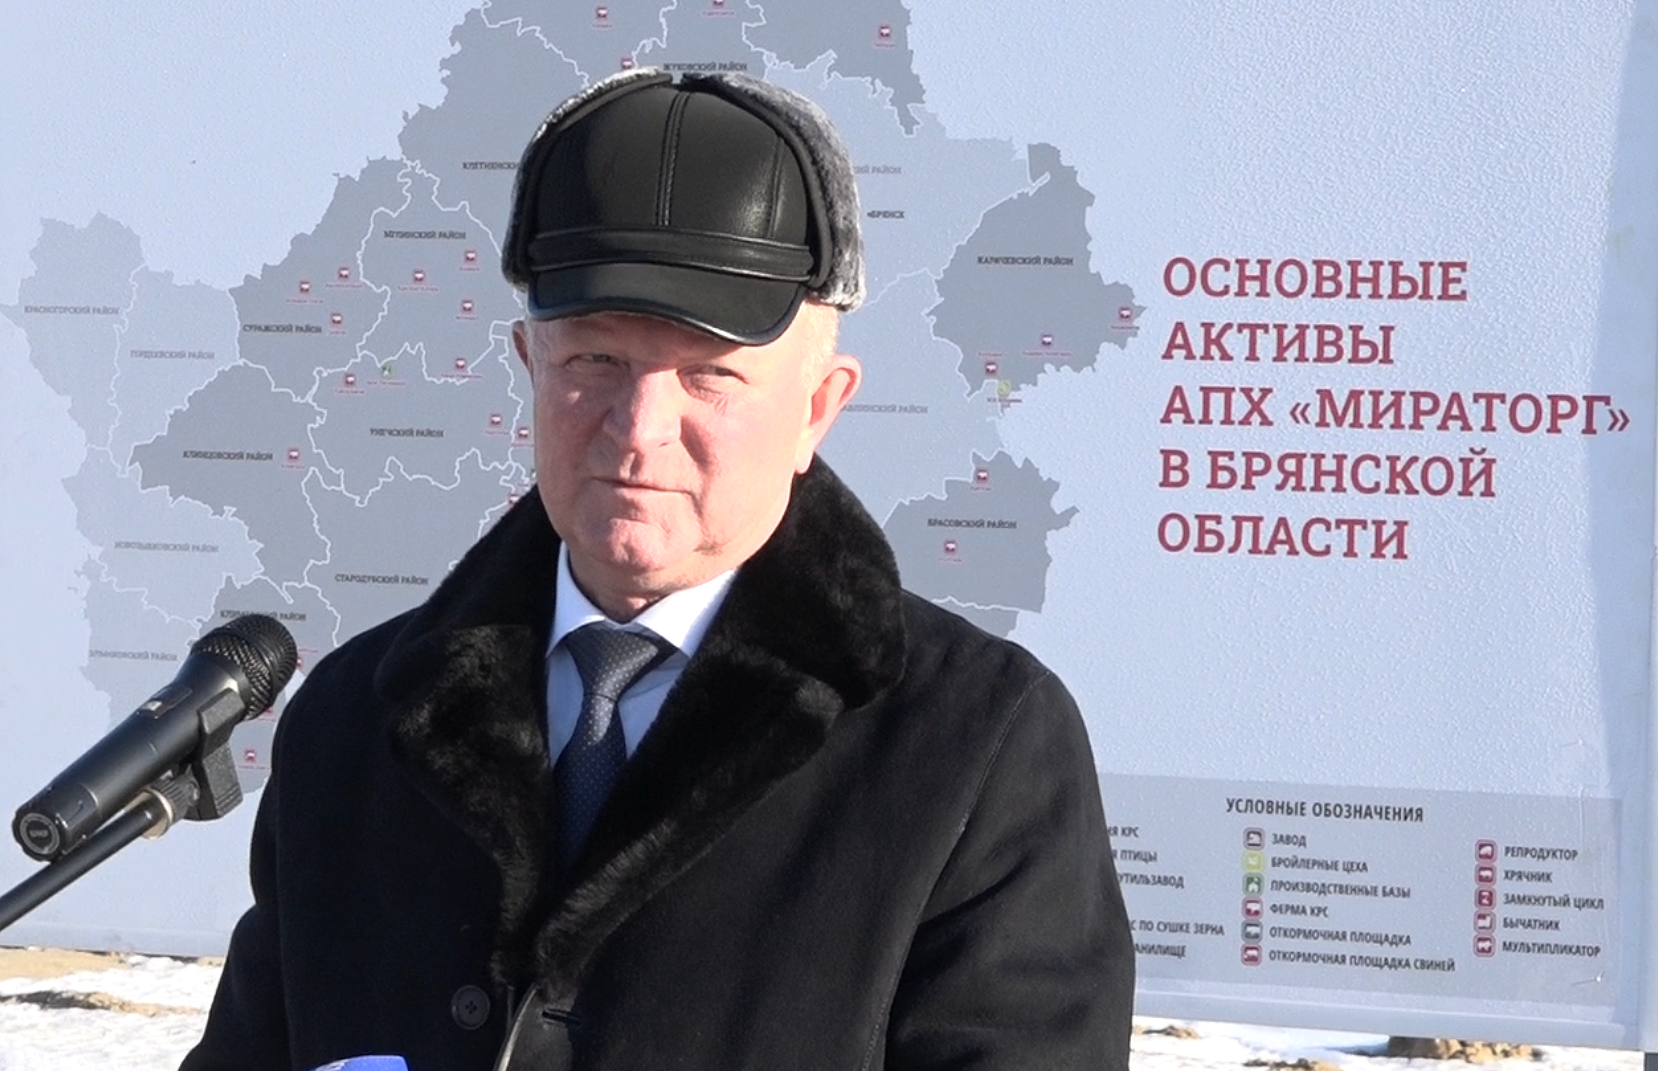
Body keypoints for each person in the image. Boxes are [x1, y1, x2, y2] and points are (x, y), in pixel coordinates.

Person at [180, 69, 1133, 1071]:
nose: (638, 429)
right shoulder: (353, 726)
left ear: (818, 408)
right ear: (530, 365)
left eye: (710, 375)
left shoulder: (975, 748)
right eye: (595, 362)